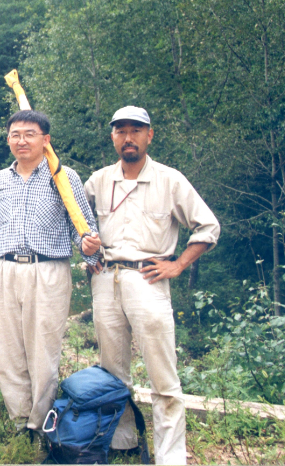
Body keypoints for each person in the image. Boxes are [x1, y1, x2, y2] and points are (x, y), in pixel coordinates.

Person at [84, 106, 220, 465]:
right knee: (112, 370)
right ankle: (123, 443)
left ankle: (171, 457)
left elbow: (208, 228)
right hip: (105, 279)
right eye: (121, 131)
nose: (128, 137)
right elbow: (78, 226)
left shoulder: (170, 180)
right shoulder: (97, 181)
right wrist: (87, 252)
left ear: (149, 135)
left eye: (136, 130)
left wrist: (178, 264)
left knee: (163, 376)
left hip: (148, 279)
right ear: (112, 136)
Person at [0, 110, 101, 435]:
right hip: (6, 269)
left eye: (30, 134)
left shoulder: (64, 176)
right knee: (8, 351)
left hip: (48, 269)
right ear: (8, 139)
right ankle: (19, 421)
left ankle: (41, 424)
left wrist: (89, 247)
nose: (22, 140)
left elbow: (83, 226)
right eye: (15, 134)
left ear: (45, 139)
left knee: (43, 350)